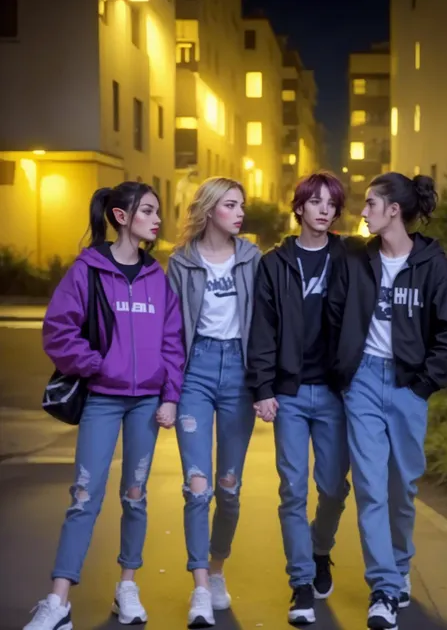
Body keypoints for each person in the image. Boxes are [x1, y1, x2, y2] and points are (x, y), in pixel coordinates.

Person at [24, 182, 185, 630]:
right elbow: (58, 329)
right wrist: (95, 364)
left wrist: (170, 396)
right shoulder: (88, 271)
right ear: (120, 216)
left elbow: (173, 344)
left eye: (157, 211)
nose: (157, 219)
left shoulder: (158, 277)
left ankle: (127, 587)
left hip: (146, 404)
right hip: (102, 399)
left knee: (135, 495)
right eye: (148, 211)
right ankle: (58, 603)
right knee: (83, 497)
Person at [327, 173, 447, 630]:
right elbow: (332, 312)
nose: (362, 210)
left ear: (394, 211)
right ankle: (384, 588)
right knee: (370, 486)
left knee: (402, 487)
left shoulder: (432, 264)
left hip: (409, 385)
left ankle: (400, 565)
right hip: (364, 380)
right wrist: (344, 368)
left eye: (371, 203)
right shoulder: (356, 257)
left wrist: (424, 384)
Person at [247, 172, 351, 625]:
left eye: (331, 203)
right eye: (316, 202)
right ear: (300, 207)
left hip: (333, 392)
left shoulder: (349, 258)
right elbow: (262, 330)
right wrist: (263, 388)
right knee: (292, 489)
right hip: (288, 393)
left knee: (332, 487)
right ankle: (301, 584)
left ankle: (320, 548)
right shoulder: (276, 264)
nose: (324, 209)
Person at [167, 176, 260, 628]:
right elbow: (169, 333)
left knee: (229, 488)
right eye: (230, 204)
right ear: (208, 210)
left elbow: (265, 326)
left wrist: (266, 386)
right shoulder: (181, 263)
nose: (239, 212)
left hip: (240, 374)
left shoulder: (253, 259)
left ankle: (218, 567)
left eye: (241, 205)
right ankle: (201, 587)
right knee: (197, 485)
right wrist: (167, 392)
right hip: (196, 372)